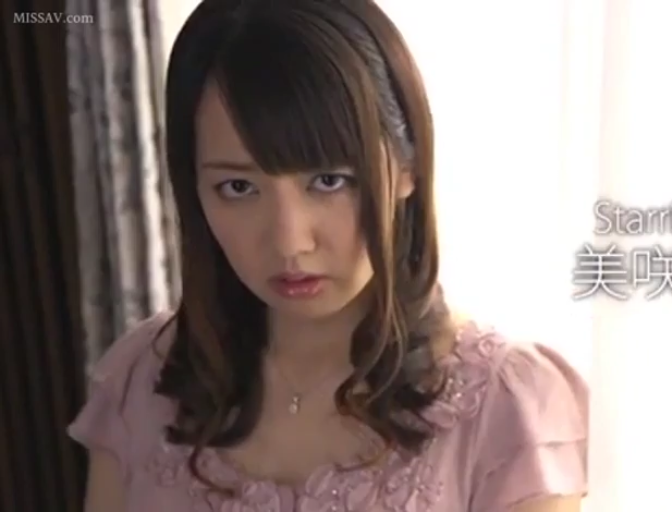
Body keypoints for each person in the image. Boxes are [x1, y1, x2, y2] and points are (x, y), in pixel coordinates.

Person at [67, 1, 589, 510]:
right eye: (238, 188)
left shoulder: (508, 409)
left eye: (328, 181)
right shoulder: (145, 380)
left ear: (407, 168)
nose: (289, 242)